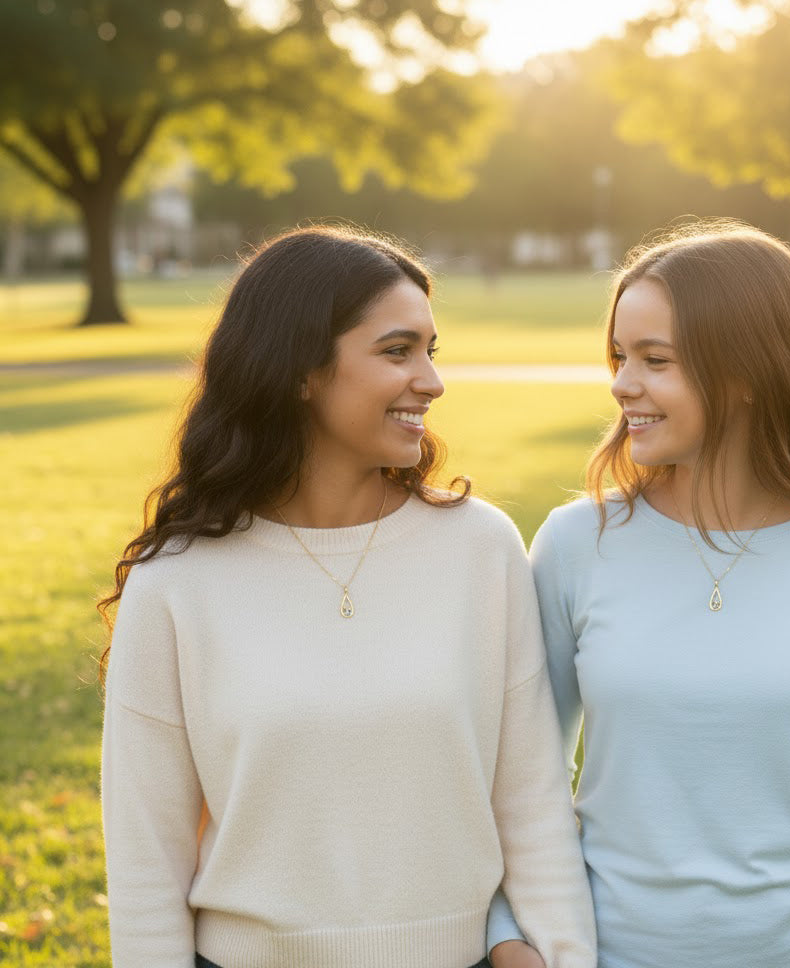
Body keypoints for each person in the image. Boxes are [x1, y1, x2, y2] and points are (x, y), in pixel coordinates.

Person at [100, 226, 596, 968]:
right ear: (300, 370)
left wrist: (565, 954)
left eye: (432, 350)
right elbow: (146, 862)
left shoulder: (481, 549)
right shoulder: (177, 580)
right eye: (398, 351)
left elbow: (532, 802)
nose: (430, 380)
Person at [488, 221, 790, 968]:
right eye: (619, 357)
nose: (622, 384)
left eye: (654, 360)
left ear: (749, 372)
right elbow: (522, 779)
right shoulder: (573, 545)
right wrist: (507, 934)